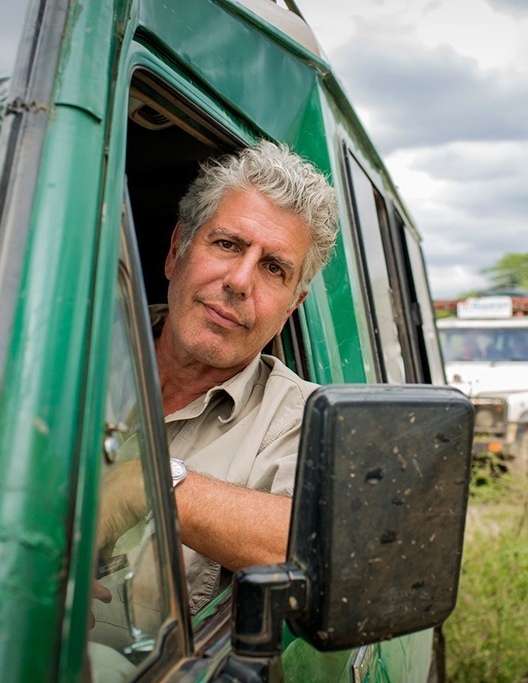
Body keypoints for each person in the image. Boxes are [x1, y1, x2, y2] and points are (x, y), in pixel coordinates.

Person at [99, 141, 339, 613]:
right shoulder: (66, 350)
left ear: (293, 306)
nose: (239, 281)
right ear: (176, 252)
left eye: (274, 268)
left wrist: (146, 485)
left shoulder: (306, 421)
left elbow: (335, 548)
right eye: (227, 244)